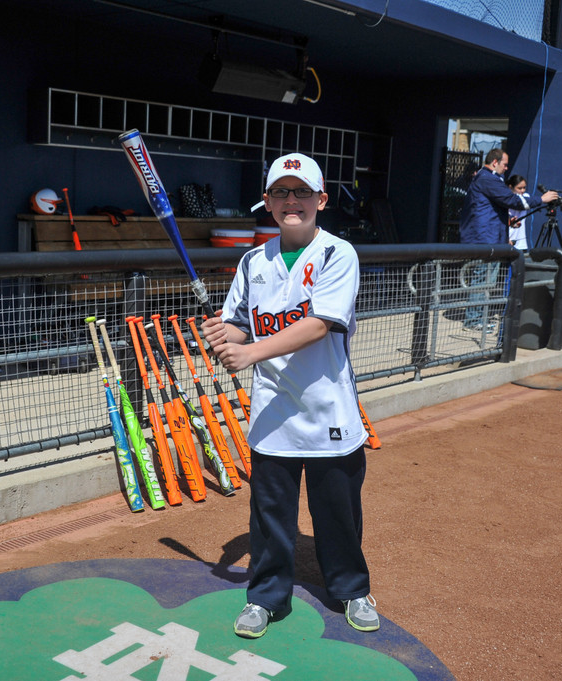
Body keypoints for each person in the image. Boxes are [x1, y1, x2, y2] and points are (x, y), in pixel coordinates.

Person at [201, 152, 377, 639]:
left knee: (337, 515)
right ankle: (266, 598)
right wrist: (220, 337)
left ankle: (351, 590)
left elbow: (320, 324)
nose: (291, 200)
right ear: (267, 202)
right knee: (271, 518)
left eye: (301, 191)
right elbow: (239, 325)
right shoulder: (253, 260)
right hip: (273, 414)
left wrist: (250, 351)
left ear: (321, 199)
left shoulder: (338, 253)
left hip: (329, 410)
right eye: (281, 191)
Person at [458, 149, 558, 330]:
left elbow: (493, 206)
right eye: (504, 164)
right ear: (494, 162)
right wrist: (541, 199)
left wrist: (506, 223)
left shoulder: (486, 178)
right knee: (483, 280)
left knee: (485, 280)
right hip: (485, 240)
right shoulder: (488, 179)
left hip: (489, 238)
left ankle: (477, 318)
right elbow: (510, 200)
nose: (506, 168)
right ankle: (473, 320)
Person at [506, 174, 530, 250]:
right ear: (510, 187)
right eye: (519, 188)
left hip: (521, 245)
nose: (522, 190)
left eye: (524, 188)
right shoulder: (504, 200)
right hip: (507, 241)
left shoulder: (526, 196)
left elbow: (520, 201)